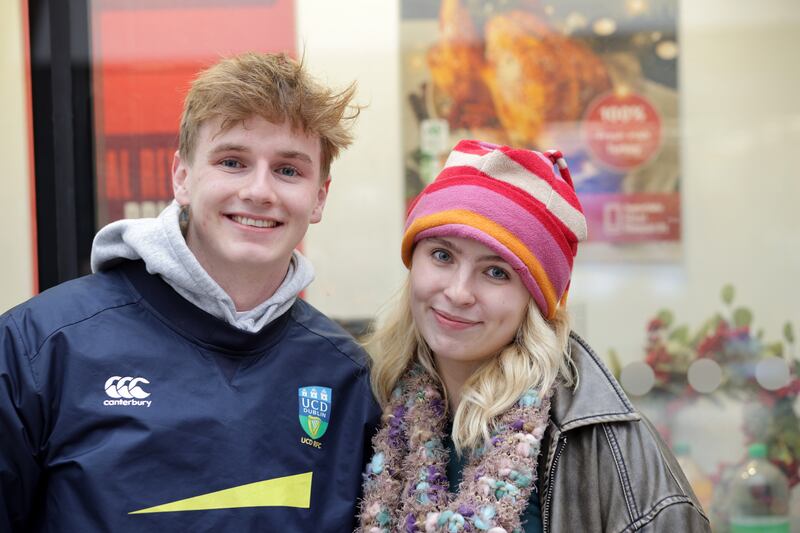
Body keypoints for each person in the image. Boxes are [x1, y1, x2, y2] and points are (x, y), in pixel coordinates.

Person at [0, 52, 380, 532]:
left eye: (288, 170)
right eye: (232, 162)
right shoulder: (40, 348)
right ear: (181, 176)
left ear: (319, 196)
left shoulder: (345, 376)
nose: (260, 191)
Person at [358, 140, 710, 532]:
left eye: (496, 272)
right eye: (442, 255)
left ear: (535, 301)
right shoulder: (372, 406)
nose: (458, 291)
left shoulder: (603, 443)